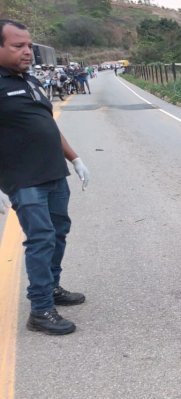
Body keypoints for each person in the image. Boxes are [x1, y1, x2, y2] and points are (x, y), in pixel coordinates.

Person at [0, 19, 91, 335]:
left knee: (58, 233)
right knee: (40, 239)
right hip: (24, 180)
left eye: (28, 45)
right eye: (17, 46)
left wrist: (75, 157)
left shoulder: (30, 80)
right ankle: (40, 309)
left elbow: (48, 125)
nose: (27, 51)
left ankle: (51, 287)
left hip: (54, 173)